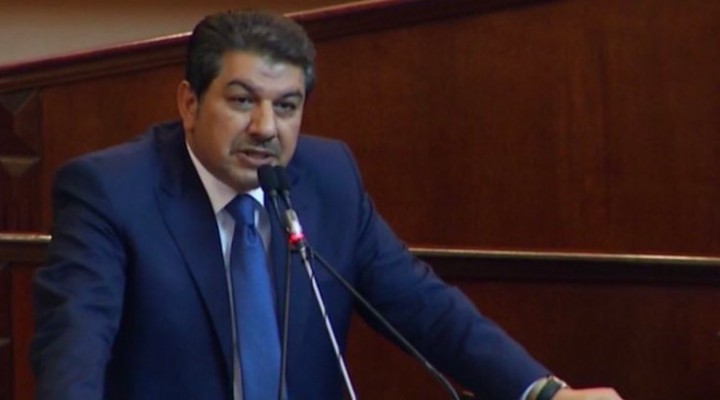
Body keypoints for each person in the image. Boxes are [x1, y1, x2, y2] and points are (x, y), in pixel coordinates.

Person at [30, 10, 623, 400]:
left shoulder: (328, 177)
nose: (266, 127)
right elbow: (73, 355)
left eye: (286, 106)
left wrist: (544, 393)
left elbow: (427, 310)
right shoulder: (111, 192)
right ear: (189, 104)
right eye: (242, 100)